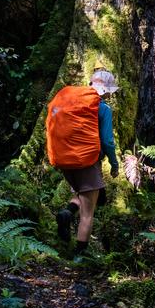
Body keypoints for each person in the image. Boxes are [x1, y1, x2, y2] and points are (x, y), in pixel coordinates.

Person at [55, 69, 119, 255]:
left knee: (83, 195)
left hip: (66, 160)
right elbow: (107, 141)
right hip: (88, 161)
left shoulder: (73, 103)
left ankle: (67, 213)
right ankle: (80, 256)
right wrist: (114, 164)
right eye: (109, 91)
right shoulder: (102, 108)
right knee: (88, 214)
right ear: (105, 89)